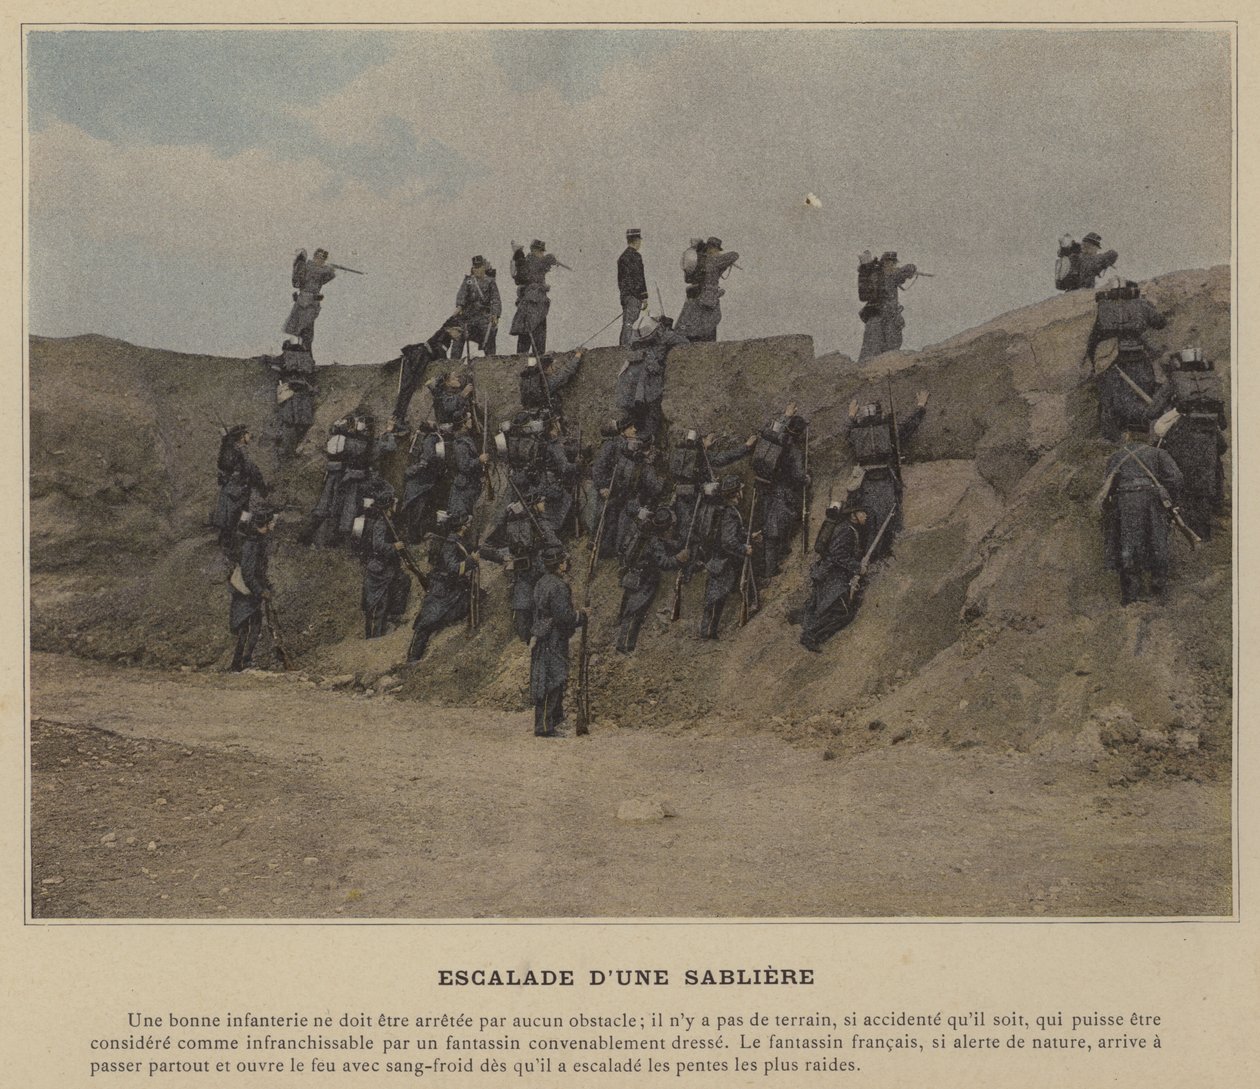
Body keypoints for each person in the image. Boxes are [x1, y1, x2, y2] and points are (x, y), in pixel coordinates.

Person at [1148, 347, 1229, 540]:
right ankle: (1206, 529)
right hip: (1209, 436)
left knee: (1170, 470)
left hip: (1183, 434)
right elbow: (1223, 423)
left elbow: (1152, 412)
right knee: (1210, 477)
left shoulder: (1175, 380)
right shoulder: (1214, 381)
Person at [1099, 425, 1185, 605]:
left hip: (1126, 501)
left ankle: (1131, 594)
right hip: (1153, 500)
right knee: (1157, 540)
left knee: (1129, 543)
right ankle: (1158, 587)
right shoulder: (1158, 454)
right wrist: (1172, 502)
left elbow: (1108, 487)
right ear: (1148, 437)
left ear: (1127, 436)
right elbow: (1176, 478)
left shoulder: (1116, 456)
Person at [843, 391, 929, 561]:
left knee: (868, 523)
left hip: (864, 484)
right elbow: (907, 427)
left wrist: (851, 416)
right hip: (885, 483)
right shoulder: (888, 430)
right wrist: (920, 407)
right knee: (889, 520)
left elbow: (847, 433)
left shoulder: (856, 432)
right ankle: (883, 556)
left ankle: (867, 557)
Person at [1085, 281, 1169, 440]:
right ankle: (1145, 430)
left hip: (1114, 361)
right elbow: (1161, 322)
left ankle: (1113, 436)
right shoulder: (1141, 305)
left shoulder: (1105, 308)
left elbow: (1095, 338)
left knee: (1111, 399)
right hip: (1138, 357)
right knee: (1146, 391)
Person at [481, 492, 561, 642]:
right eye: (541, 502)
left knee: (524, 612)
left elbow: (488, 544)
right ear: (535, 505)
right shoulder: (540, 523)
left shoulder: (515, 522)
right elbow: (556, 545)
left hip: (522, 571)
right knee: (540, 608)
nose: (544, 504)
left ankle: (527, 640)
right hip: (539, 571)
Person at [615, 507, 689, 653]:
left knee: (629, 611)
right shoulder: (655, 542)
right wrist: (678, 559)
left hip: (631, 575)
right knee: (635, 614)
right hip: (644, 580)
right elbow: (664, 563)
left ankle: (624, 645)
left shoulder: (642, 532)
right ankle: (625, 647)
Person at [529, 546, 585, 737]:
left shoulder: (541, 582)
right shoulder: (558, 586)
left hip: (543, 635)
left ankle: (552, 720)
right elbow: (565, 618)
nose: (566, 564)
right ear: (560, 565)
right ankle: (544, 727)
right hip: (553, 637)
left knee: (547, 678)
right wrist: (582, 615)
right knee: (552, 679)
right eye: (564, 561)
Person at [407, 511, 477, 663]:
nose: (469, 526)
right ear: (462, 527)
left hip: (451, 587)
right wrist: (471, 561)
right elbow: (454, 568)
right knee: (425, 623)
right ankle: (412, 659)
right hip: (442, 588)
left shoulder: (458, 540)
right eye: (468, 524)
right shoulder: (451, 544)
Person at [800, 499, 868, 652]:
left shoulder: (848, 528)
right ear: (853, 515)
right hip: (832, 575)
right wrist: (857, 567)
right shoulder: (846, 531)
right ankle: (810, 635)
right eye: (862, 512)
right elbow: (838, 555)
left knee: (827, 606)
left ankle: (807, 623)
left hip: (831, 573)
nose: (866, 515)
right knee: (842, 610)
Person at [754, 413, 811, 579]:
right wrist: (807, 479)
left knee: (769, 525)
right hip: (781, 492)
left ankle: (774, 557)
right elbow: (799, 476)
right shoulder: (794, 451)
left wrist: (786, 415)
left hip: (765, 487)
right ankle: (770, 570)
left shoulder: (774, 440)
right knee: (774, 530)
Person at [699, 475, 754, 640]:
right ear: (736, 494)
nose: (742, 493)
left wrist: (750, 535)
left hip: (716, 559)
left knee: (716, 596)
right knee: (716, 598)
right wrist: (744, 549)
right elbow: (729, 541)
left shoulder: (721, 509)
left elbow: (732, 533)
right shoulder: (729, 513)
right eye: (740, 491)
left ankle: (708, 631)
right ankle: (708, 633)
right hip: (722, 561)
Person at [357, 483, 411, 638]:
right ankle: (374, 637)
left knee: (397, 587)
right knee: (378, 604)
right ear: (389, 505)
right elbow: (378, 545)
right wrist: (395, 546)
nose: (397, 505)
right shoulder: (381, 523)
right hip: (378, 570)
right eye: (394, 503)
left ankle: (385, 628)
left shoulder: (388, 521)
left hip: (386, 568)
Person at [388, 319, 460, 433]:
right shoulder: (444, 335)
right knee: (408, 388)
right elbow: (441, 355)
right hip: (419, 358)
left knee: (408, 388)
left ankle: (399, 418)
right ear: (450, 329)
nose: (459, 335)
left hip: (422, 357)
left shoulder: (446, 337)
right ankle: (398, 418)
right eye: (458, 331)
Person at [228, 502, 276, 672]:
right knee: (245, 628)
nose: (272, 525)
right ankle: (239, 663)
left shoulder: (256, 541)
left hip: (249, 592)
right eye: (270, 523)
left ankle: (242, 662)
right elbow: (248, 574)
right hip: (245, 593)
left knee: (253, 625)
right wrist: (260, 590)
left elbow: (257, 571)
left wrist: (266, 585)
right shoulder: (252, 545)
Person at [210, 425, 267, 555]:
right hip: (238, 489)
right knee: (243, 513)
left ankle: (225, 544)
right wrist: (261, 485)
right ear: (242, 437)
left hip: (229, 487)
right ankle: (234, 547)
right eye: (247, 434)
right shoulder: (241, 449)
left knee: (228, 517)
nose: (249, 436)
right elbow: (250, 468)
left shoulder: (228, 448)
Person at [629, 316, 690, 438]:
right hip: (640, 381)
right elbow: (632, 346)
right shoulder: (640, 335)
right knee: (637, 409)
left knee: (652, 411)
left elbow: (685, 344)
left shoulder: (666, 336)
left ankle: (647, 438)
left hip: (654, 381)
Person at [857, 251, 919, 363]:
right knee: (884, 352)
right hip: (884, 318)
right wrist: (911, 269)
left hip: (878, 317)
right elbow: (908, 269)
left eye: (894, 264)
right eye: (892, 263)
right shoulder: (889, 275)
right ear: (886, 263)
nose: (893, 266)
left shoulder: (874, 274)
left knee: (874, 352)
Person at [675, 237, 739, 342]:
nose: (718, 252)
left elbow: (687, 279)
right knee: (709, 324)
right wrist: (719, 257)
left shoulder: (697, 261)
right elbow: (735, 255)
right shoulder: (714, 260)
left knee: (691, 324)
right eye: (717, 250)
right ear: (713, 248)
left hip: (694, 298)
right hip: (708, 299)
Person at [398, 420, 448, 544]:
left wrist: (410, 471)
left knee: (415, 510)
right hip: (422, 482)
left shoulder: (429, 439)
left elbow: (424, 462)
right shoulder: (430, 437)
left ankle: (413, 537)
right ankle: (412, 536)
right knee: (415, 510)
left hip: (421, 483)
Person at [510, 239, 560, 355]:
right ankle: (526, 363)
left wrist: (549, 260)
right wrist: (548, 259)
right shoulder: (529, 261)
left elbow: (542, 267)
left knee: (537, 338)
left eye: (543, 252)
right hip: (531, 304)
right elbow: (535, 268)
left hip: (539, 304)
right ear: (533, 251)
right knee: (528, 337)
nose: (542, 254)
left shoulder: (533, 262)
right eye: (540, 251)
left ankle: (534, 363)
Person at [282, 247, 337, 354]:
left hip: (311, 302)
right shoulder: (310, 267)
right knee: (302, 328)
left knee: (307, 329)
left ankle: (306, 353)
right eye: (319, 257)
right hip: (305, 301)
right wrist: (329, 268)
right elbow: (319, 272)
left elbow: (326, 278)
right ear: (315, 256)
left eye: (323, 259)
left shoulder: (318, 269)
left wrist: (330, 269)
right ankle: (302, 353)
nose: (321, 260)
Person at [450, 256, 501, 359]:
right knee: (458, 333)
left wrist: (495, 314)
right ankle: (454, 361)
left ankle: (490, 360)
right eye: (475, 267)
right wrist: (459, 306)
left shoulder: (490, 282)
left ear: (484, 268)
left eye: (479, 267)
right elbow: (462, 294)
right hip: (469, 317)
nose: (477, 270)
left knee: (490, 331)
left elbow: (495, 299)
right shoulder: (469, 281)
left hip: (484, 317)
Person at [520, 348, 584, 419]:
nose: (554, 368)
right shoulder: (547, 382)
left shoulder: (528, 380)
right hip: (544, 416)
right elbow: (566, 372)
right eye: (552, 366)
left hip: (529, 414)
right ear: (547, 368)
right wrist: (578, 355)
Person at [618, 228, 649, 347]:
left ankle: (623, 344)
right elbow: (639, 277)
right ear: (636, 241)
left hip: (625, 296)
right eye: (639, 240)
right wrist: (644, 296)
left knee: (627, 321)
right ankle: (625, 345)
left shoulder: (622, 257)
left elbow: (621, 281)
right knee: (630, 322)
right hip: (634, 296)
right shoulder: (636, 256)